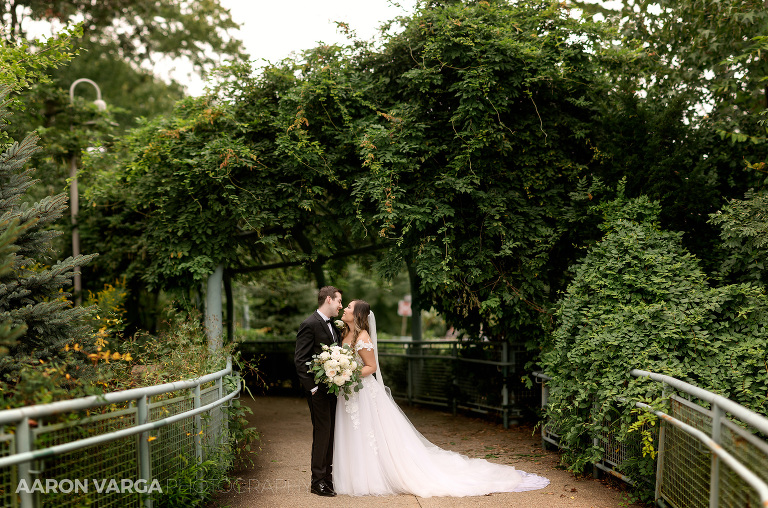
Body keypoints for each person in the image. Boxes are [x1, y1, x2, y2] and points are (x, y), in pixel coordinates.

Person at [333, 299, 551, 497]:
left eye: (349, 307)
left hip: (362, 390)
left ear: (358, 314)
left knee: (370, 433)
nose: (345, 309)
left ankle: (371, 477)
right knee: (354, 431)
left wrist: (349, 373)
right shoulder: (344, 333)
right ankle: (353, 474)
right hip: (350, 391)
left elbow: (371, 367)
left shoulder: (363, 337)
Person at [295, 285, 343, 497]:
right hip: (318, 391)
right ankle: (317, 482)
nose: (341, 306)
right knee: (322, 432)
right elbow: (300, 359)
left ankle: (328, 478)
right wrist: (312, 388)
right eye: (339, 301)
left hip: (332, 389)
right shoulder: (310, 324)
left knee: (330, 433)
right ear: (329, 299)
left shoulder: (333, 325)